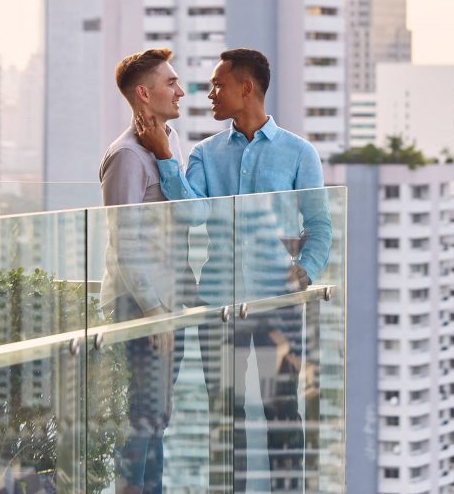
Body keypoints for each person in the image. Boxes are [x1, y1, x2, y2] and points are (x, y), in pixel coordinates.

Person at [135, 47, 331, 494]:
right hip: (218, 307)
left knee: (281, 411)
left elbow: (319, 225)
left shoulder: (299, 153)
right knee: (226, 416)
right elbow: (193, 214)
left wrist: (305, 271)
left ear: (247, 88)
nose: (209, 94)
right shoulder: (204, 154)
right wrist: (166, 156)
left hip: (277, 307)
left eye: (218, 85)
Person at [99, 48, 195, 494]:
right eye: (170, 82)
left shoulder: (168, 143)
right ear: (144, 93)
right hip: (140, 307)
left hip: (167, 302)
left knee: (158, 417)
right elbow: (125, 242)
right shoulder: (126, 157)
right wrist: (154, 309)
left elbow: (192, 214)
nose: (181, 90)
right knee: (142, 419)